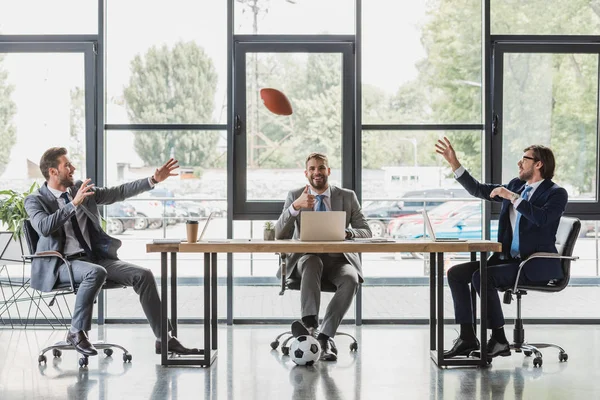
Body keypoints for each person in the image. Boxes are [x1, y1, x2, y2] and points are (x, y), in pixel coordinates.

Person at [25, 147, 198, 357]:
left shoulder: (79, 189)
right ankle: (76, 331)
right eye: (67, 165)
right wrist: (73, 204)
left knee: (143, 275)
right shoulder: (35, 200)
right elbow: (43, 226)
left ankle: (164, 339)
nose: (73, 168)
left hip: (94, 260)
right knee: (95, 272)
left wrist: (153, 180)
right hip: (61, 265)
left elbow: (118, 192)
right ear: (53, 172)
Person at [435, 137, 567, 359]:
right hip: (510, 261)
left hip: (535, 265)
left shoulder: (555, 193)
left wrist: (512, 197)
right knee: (456, 273)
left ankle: (498, 339)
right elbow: (479, 189)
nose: (519, 163)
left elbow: (542, 219)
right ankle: (467, 338)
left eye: (524, 159)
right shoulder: (517, 185)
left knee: (482, 277)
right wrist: (454, 164)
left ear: (538, 164)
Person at [274, 152, 372, 361]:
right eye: (312, 169)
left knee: (351, 278)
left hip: (339, 260)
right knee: (312, 261)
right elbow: (279, 234)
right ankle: (310, 327)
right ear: (306, 173)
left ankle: (324, 337)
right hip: (305, 260)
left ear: (328, 171)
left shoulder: (346, 196)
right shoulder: (295, 195)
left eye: (321, 168)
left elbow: (366, 230)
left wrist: (348, 233)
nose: (317, 172)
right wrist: (295, 207)